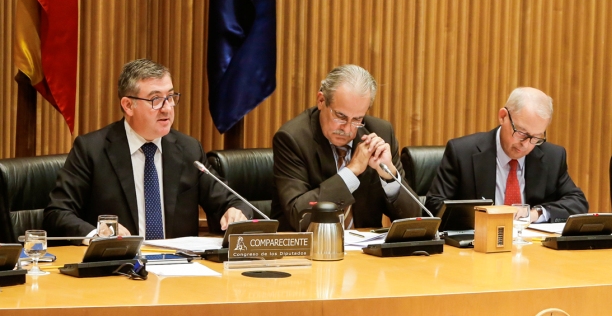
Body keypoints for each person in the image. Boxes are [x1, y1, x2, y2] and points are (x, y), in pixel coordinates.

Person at [43, 59, 252, 242]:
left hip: (177, 273)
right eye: (155, 99)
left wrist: (235, 211)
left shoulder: (188, 150)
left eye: (170, 97)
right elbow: (58, 213)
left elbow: (232, 200)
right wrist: (96, 234)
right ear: (128, 105)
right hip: (118, 270)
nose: (167, 108)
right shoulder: (92, 150)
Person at [271, 65, 421, 231]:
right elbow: (300, 215)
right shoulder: (293, 138)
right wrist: (351, 171)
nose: (348, 129)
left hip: (365, 252)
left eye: (357, 119)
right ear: (321, 101)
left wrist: (389, 176)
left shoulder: (380, 133)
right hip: (309, 250)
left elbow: (414, 220)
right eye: (340, 116)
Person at [425, 87, 588, 223]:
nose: (526, 144)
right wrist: (490, 216)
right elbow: (434, 207)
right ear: (503, 116)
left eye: (536, 137)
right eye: (521, 133)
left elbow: (577, 202)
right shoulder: (463, 152)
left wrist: (536, 213)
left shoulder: (552, 156)